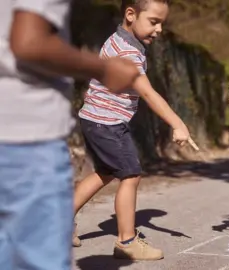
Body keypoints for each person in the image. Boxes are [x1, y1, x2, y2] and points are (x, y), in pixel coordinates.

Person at [0, 0, 140, 269]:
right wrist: (103, 69)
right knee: (39, 259)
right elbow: (29, 41)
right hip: (27, 137)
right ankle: (127, 239)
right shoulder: (123, 47)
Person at [72, 0, 196, 261]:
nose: (159, 29)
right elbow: (149, 94)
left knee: (106, 171)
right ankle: (126, 241)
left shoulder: (122, 42)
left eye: (162, 23)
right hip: (106, 122)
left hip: (95, 118)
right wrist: (177, 123)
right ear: (131, 14)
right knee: (131, 174)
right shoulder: (126, 53)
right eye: (153, 21)